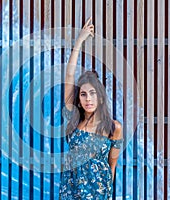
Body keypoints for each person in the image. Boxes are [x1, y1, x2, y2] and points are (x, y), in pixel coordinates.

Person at [59, 17, 123, 199]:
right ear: (78, 99)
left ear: (101, 97)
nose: (89, 99)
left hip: (99, 193)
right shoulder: (74, 119)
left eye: (93, 94)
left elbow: (112, 164)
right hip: (71, 191)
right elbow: (69, 74)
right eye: (84, 94)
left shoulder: (113, 127)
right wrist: (80, 40)